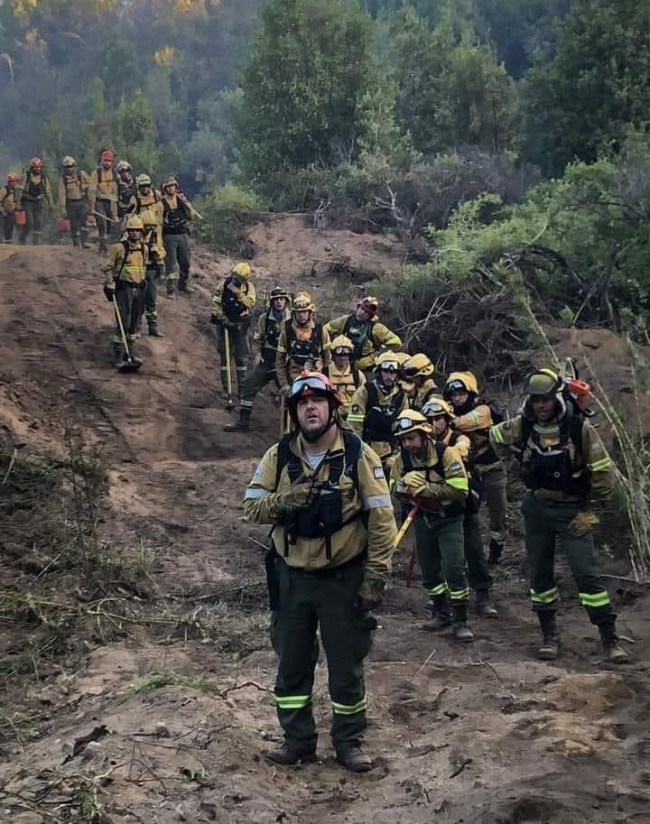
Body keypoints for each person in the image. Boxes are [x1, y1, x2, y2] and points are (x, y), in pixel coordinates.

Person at [242, 371, 397, 772]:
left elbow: (382, 519)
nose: (310, 408)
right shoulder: (279, 455)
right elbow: (252, 507)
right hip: (290, 577)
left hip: (342, 578)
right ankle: (297, 740)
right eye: (302, 403)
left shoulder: (358, 454)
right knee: (291, 663)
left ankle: (349, 742)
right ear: (294, 413)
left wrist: (377, 575)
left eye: (318, 401)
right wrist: (285, 500)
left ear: (332, 408)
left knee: (345, 666)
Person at [490, 369, 628, 663]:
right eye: (536, 400)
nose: (541, 405)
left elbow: (603, 473)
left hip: (572, 510)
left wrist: (593, 512)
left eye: (546, 399)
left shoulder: (578, 428)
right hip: (537, 508)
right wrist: (515, 474)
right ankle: (549, 635)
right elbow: (495, 435)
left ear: (557, 398)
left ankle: (609, 638)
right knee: (539, 574)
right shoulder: (523, 426)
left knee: (586, 575)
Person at [391, 409, 474, 641]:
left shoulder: (446, 454)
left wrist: (427, 489)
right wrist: (403, 488)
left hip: (448, 519)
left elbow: (460, 489)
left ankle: (461, 620)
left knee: (454, 567)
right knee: (429, 571)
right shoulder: (402, 460)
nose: (407, 444)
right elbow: (392, 488)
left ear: (424, 433)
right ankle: (441, 612)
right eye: (403, 439)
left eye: (411, 438)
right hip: (423, 520)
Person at [422, 396, 497, 619]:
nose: (434, 423)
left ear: (446, 419)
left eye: (438, 418)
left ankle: (482, 595)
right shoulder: (422, 443)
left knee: (474, 551)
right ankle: (442, 603)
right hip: (437, 506)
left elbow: (459, 452)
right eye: (429, 419)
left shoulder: (460, 438)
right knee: (439, 557)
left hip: (463, 505)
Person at [443, 371, 508, 566]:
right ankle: (466, 553)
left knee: (498, 513)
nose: (457, 398)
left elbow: (466, 422)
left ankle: (496, 551)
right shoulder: (448, 411)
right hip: (467, 472)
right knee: (468, 514)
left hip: (491, 469)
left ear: (470, 393)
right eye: (453, 395)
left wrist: (446, 419)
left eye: (461, 393)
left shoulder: (482, 410)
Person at [224, 286, 291, 432]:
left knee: (292, 393)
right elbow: (257, 339)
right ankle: (243, 422)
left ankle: (292, 429)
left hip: (285, 363)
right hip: (267, 360)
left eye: (282, 299)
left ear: (286, 301)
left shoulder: (293, 320)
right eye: (276, 300)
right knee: (248, 385)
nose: (279, 302)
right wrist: (257, 355)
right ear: (271, 302)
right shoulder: (265, 319)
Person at [348, 352, 408, 473]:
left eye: (393, 372)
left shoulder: (401, 396)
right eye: (385, 371)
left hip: (390, 453)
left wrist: (396, 455)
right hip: (367, 449)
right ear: (379, 372)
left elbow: (404, 429)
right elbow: (355, 426)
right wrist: (359, 453)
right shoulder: (365, 391)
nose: (389, 376)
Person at [102, 215, 147, 370]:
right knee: (123, 323)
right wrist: (110, 283)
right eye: (132, 230)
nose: (135, 233)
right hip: (123, 289)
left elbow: (144, 268)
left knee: (134, 324)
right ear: (128, 231)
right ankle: (118, 356)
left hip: (139, 289)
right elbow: (108, 267)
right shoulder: (119, 248)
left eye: (137, 230)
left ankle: (130, 353)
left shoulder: (144, 248)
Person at [211, 262, 257, 399]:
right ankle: (226, 388)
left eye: (239, 278)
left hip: (240, 325)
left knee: (241, 358)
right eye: (235, 276)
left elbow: (250, 303)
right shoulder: (223, 285)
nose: (235, 279)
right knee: (225, 358)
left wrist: (238, 293)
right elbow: (215, 303)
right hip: (224, 324)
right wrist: (222, 318)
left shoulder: (249, 288)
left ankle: (242, 389)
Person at [324, 296, 402, 373]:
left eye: (366, 312)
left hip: (366, 367)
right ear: (358, 307)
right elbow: (326, 329)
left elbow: (396, 342)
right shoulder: (346, 320)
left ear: (370, 315)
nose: (362, 313)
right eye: (362, 309)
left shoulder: (376, 328)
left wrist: (378, 355)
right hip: (343, 364)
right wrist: (330, 345)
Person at [275, 292, 331, 391]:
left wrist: (328, 381)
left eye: (304, 312)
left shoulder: (320, 331)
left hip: (316, 378)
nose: (301, 315)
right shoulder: (287, 332)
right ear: (294, 313)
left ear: (310, 312)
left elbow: (328, 359)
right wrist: (284, 384)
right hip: (294, 379)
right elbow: (280, 361)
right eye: (298, 312)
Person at [160, 175, 199, 296]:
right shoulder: (161, 203)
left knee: (185, 261)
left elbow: (191, 216)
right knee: (170, 263)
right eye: (168, 187)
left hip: (182, 234)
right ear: (165, 188)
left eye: (173, 186)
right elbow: (158, 222)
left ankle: (183, 284)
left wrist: (186, 202)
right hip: (169, 236)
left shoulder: (181, 200)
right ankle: (170, 289)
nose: (171, 189)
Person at [324, 335, 365, 419]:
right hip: (330, 417)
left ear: (350, 356)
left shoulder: (357, 376)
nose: (342, 358)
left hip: (352, 418)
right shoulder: (324, 373)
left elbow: (364, 398)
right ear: (333, 356)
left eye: (345, 355)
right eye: (339, 355)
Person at [140, 209, 166, 337]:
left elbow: (162, 250)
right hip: (137, 270)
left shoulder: (155, 235)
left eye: (152, 226)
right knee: (138, 299)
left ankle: (153, 327)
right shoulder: (133, 234)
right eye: (147, 226)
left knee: (151, 298)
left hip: (151, 269)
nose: (149, 228)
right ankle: (136, 326)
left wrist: (158, 253)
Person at [17, 157, 52, 245]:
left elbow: (47, 191)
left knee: (38, 222)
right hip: (27, 201)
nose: (37, 169)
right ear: (32, 167)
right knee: (29, 222)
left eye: (39, 167)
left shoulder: (43, 178)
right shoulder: (26, 176)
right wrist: (17, 203)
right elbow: (19, 190)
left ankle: (36, 243)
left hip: (38, 202)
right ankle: (23, 237)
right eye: (35, 167)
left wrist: (51, 203)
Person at [88, 150, 118, 253]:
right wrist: (92, 206)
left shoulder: (114, 173)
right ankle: (102, 246)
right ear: (102, 160)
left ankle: (104, 242)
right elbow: (92, 190)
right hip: (99, 201)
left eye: (109, 161)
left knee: (110, 225)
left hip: (110, 202)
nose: (107, 163)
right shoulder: (96, 173)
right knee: (102, 223)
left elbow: (115, 192)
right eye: (105, 161)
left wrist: (114, 211)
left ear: (112, 162)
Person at [58, 156, 90, 248]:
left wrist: (84, 187)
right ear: (64, 168)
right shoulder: (63, 179)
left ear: (74, 166)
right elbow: (62, 194)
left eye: (71, 166)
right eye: (67, 167)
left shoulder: (81, 174)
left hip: (82, 202)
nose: (69, 169)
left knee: (84, 222)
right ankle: (76, 243)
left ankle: (84, 242)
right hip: (71, 204)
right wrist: (63, 208)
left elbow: (91, 184)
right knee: (74, 224)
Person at [0, 172, 21, 243]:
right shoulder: (4, 190)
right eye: (12, 181)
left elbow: (18, 201)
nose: (14, 183)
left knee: (11, 227)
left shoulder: (17, 191)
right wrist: (2, 211)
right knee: (3, 227)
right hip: (3, 212)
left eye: (15, 181)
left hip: (12, 212)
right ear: (9, 182)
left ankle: (9, 241)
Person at [116, 160, 138, 226]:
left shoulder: (136, 181)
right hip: (123, 210)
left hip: (136, 208)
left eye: (126, 171)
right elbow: (114, 199)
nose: (125, 173)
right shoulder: (117, 184)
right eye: (122, 172)